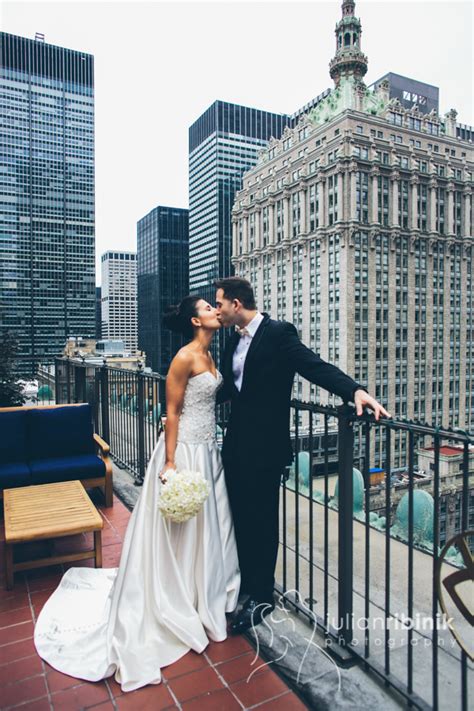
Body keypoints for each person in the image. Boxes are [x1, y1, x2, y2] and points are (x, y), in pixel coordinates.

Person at [34, 296, 240, 692]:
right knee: (180, 530)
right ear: (197, 320)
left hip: (208, 452)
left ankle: (202, 592)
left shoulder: (211, 354)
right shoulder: (183, 359)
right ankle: (176, 595)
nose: (217, 310)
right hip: (185, 452)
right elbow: (173, 412)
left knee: (208, 526)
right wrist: (169, 462)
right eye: (209, 308)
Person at [215, 276, 390, 635]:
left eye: (219, 304)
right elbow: (228, 389)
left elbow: (313, 365)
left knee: (263, 522)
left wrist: (355, 391)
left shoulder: (279, 333)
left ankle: (262, 597)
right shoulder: (232, 339)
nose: (217, 310)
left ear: (236, 303)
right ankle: (246, 584)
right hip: (235, 444)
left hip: (266, 448)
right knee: (240, 518)